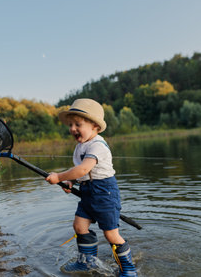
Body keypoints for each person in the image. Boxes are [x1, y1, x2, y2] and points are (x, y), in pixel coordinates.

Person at [46, 98, 138, 276]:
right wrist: (71, 182)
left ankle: (128, 268)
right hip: (88, 192)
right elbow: (81, 173)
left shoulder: (98, 145)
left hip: (105, 193)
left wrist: (59, 177)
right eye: (70, 124)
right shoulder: (81, 146)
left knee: (111, 235)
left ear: (95, 126)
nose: (72, 129)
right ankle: (86, 262)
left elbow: (84, 168)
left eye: (77, 124)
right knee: (79, 226)